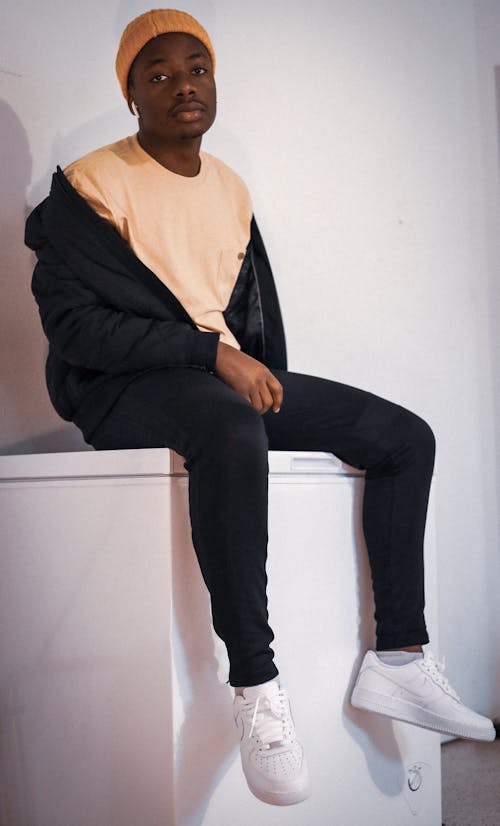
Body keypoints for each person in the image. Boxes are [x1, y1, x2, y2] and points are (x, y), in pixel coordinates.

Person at [26, 8, 495, 808]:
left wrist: (236, 362)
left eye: (197, 67)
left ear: (215, 82)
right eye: (160, 73)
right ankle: (255, 685)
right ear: (132, 94)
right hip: (122, 391)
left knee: (404, 437)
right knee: (230, 425)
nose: (183, 86)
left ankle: (399, 659)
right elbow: (78, 329)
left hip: (214, 379)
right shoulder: (91, 185)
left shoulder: (230, 190)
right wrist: (211, 355)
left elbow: (240, 314)